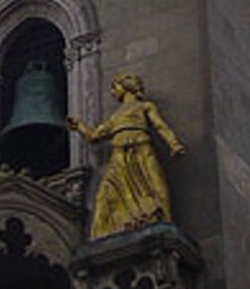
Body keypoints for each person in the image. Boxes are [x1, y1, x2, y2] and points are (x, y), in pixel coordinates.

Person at [67, 73, 184, 239]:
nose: (113, 92)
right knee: (104, 193)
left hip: (141, 149)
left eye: (115, 87)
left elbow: (159, 126)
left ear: (126, 86)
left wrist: (173, 144)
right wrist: (79, 126)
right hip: (119, 154)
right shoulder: (116, 116)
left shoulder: (144, 106)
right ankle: (105, 233)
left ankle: (163, 219)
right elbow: (94, 136)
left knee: (155, 184)